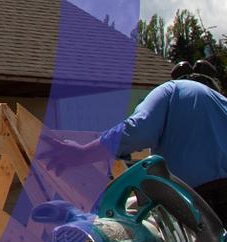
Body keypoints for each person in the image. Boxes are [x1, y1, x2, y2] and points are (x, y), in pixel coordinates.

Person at [46, 63, 227, 223]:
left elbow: (136, 130)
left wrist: (83, 153)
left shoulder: (172, 90)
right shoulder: (222, 102)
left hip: (194, 201)